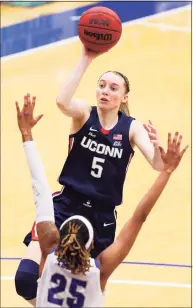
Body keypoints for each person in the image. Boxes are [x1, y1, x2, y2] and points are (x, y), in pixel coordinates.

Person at [15, 46, 164, 304]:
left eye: (113, 88)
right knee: (26, 278)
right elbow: (62, 101)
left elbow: (158, 164)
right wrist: (87, 57)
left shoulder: (131, 128)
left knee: (87, 287)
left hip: (100, 218)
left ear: (125, 97)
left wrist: (160, 147)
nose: (105, 91)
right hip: (65, 205)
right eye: (102, 85)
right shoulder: (84, 113)